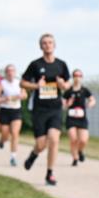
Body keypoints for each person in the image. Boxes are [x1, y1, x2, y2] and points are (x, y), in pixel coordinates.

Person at [21, 33, 70, 186]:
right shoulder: (35, 65)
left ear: (54, 45)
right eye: (44, 43)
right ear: (40, 46)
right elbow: (23, 83)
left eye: (50, 42)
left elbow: (67, 84)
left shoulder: (61, 65)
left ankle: (50, 173)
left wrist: (63, 85)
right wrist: (36, 86)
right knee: (41, 144)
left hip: (55, 108)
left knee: (54, 139)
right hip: (40, 109)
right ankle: (33, 155)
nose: (47, 45)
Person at [63, 69, 95, 167]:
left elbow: (92, 100)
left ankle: (80, 151)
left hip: (81, 118)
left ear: (82, 77)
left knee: (83, 140)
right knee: (73, 139)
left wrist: (90, 104)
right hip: (71, 118)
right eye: (76, 75)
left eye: (79, 75)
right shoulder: (68, 91)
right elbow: (63, 105)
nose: (77, 77)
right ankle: (75, 158)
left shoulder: (85, 90)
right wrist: (68, 104)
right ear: (73, 77)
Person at [0, 64, 25, 166]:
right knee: (5, 133)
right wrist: (4, 99)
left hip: (16, 110)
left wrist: (21, 96)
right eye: (8, 71)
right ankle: (2, 140)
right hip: (5, 110)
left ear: (15, 72)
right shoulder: (2, 84)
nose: (10, 72)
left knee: (14, 133)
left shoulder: (19, 83)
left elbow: (25, 95)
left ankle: (13, 157)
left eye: (12, 70)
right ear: (5, 73)